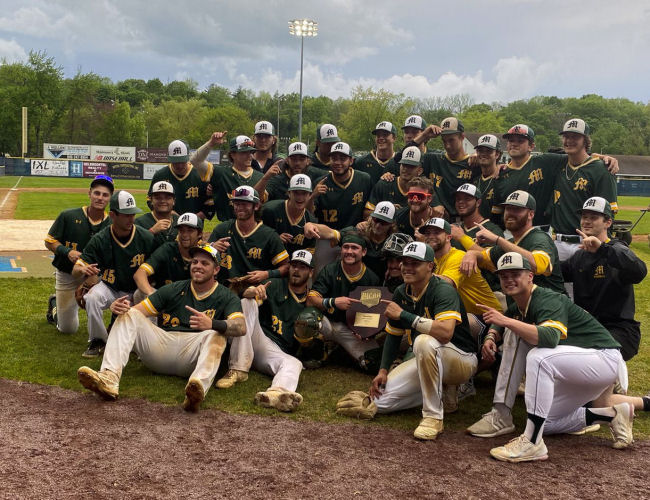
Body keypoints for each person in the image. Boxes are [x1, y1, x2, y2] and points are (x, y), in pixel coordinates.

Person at [469, 252, 644, 462]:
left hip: (603, 357)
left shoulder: (547, 298)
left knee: (539, 357)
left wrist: (505, 323)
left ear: (530, 276)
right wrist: (492, 334)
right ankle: (613, 415)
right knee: (545, 420)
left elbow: (550, 337)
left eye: (515, 274)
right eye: (504, 276)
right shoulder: (523, 302)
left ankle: (533, 443)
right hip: (584, 363)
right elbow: (506, 317)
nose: (509, 280)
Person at [77, 244, 245, 413]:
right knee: (128, 315)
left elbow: (241, 327)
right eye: (194, 262)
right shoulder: (174, 288)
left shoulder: (226, 295)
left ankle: (196, 389)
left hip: (193, 354)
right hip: (162, 346)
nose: (198, 266)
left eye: (204, 263)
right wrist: (118, 308)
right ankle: (109, 378)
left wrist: (213, 324)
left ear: (216, 270)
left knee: (217, 334)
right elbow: (136, 312)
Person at [336, 241, 477, 440]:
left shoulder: (443, 289)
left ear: (430, 266)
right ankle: (446, 393)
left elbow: (445, 333)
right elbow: (393, 335)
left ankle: (433, 417)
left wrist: (405, 315)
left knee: (423, 342)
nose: (407, 267)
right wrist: (383, 370)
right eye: (404, 262)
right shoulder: (402, 292)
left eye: (414, 263)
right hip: (428, 356)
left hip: (461, 359)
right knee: (378, 403)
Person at [213, 250, 313, 411]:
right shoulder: (274, 284)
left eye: (302, 267)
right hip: (256, 336)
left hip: (273, 351)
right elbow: (243, 297)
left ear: (310, 272)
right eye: (294, 265)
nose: (296, 270)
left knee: (294, 363)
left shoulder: (311, 300)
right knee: (247, 302)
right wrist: (250, 292)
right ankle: (238, 369)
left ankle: (276, 394)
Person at [562, 197, 647, 362]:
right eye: (584, 217)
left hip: (619, 331)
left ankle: (613, 372)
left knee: (585, 354)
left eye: (593, 217)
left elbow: (639, 271)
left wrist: (602, 249)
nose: (586, 221)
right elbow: (555, 274)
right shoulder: (579, 257)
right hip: (588, 327)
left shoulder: (617, 250)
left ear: (608, 222)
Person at [72, 191, 155, 358]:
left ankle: (148, 344)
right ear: (112, 215)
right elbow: (76, 269)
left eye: (132, 214)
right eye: (125, 215)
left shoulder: (145, 237)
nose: (131, 219)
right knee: (92, 298)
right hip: (111, 288)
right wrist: (82, 270)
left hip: (136, 291)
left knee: (150, 295)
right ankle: (99, 340)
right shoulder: (100, 239)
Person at [45, 175, 114, 333]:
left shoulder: (112, 223)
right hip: (67, 273)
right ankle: (55, 303)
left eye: (105, 195)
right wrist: (66, 251)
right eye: (97, 193)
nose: (100, 198)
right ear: (89, 194)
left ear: (110, 198)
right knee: (67, 329)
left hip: (95, 276)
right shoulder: (68, 216)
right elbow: (49, 241)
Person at [461, 190, 565, 295]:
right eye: (508, 209)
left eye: (517, 209)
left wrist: (498, 240)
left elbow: (538, 266)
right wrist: (472, 253)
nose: (510, 213)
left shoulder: (539, 238)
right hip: (522, 307)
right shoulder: (509, 243)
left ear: (530, 214)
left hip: (552, 304)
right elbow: (484, 258)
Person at [307, 231, 381, 370]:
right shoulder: (330, 270)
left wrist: (367, 331)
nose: (349, 251)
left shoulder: (371, 278)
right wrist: (333, 302)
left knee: (373, 362)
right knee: (307, 318)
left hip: (350, 329)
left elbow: (371, 314)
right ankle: (313, 353)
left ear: (364, 252)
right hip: (327, 323)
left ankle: (337, 350)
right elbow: (311, 300)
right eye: (346, 247)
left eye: (354, 248)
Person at [419, 217, 503, 335]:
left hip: (490, 318)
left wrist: (416, 274)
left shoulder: (459, 257)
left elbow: (445, 285)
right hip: (464, 316)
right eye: (427, 233)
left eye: (437, 232)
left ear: (449, 237)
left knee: (443, 324)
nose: (431, 236)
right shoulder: (431, 260)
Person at [551, 118, 618, 262]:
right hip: (558, 242)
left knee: (588, 284)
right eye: (566, 136)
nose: (569, 140)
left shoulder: (601, 170)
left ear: (585, 141)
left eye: (575, 137)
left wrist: (604, 246)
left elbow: (609, 213)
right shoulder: (558, 164)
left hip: (586, 242)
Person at [208, 186, 289, 289]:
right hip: (225, 288)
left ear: (256, 206)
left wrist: (267, 274)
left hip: (256, 290)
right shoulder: (222, 229)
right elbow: (202, 255)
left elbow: (286, 267)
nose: (240, 207)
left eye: (245, 204)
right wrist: (212, 247)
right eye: (237, 204)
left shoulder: (269, 235)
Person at [133, 212, 204, 301]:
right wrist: (151, 294)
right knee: (139, 294)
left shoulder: (205, 254)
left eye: (190, 230)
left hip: (191, 302)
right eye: (181, 230)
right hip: (164, 300)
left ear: (200, 234)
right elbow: (139, 274)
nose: (185, 234)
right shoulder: (168, 249)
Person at [412, 117, 473, 219]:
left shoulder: (472, 163)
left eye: (451, 140)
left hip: (461, 221)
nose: (447, 145)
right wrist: (424, 135)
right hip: (435, 218)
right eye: (444, 141)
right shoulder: (433, 159)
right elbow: (400, 157)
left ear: (462, 136)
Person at [450, 183, 504, 294]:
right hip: (460, 292)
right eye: (458, 199)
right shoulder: (453, 229)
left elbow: (493, 262)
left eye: (467, 199)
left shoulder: (492, 229)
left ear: (478, 202)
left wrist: (462, 238)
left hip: (489, 292)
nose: (461, 202)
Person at [148, 138, 217, 217]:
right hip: (167, 224)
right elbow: (149, 199)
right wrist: (167, 212)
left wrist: (192, 220)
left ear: (188, 157)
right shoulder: (160, 175)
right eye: (176, 162)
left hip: (194, 227)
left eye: (182, 161)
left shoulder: (200, 174)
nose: (179, 166)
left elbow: (210, 202)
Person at [209, 136, 265, 222]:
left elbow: (261, 204)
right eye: (244, 152)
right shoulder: (221, 172)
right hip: (226, 228)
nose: (249, 156)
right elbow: (196, 161)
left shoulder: (260, 176)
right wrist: (211, 143)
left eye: (251, 152)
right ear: (233, 154)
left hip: (252, 228)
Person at [262, 174, 318, 256]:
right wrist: (274, 240)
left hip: (294, 266)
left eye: (304, 193)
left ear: (310, 195)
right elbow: (255, 237)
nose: (300, 197)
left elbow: (309, 252)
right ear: (289, 193)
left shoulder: (311, 220)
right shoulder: (270, 210)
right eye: (296, 193)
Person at [255, 142, 327, 202]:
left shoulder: (314, 173)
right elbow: (256, 198)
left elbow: (333, 175)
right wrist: (265, 178)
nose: (297, 163)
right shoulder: (278, 178)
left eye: (302, 159)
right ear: (287, 160)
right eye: (293, 159)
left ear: (308, 161)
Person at [366, 145, 423, 213]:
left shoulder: (423, 191)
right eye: (403, 164)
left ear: (419, 171)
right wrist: (387, 211)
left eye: (410, 166)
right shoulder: (384, 184)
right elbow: (367, 212)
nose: (405, 169)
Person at [135, 181, 179, 248]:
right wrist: (151, 232)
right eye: (158, 198)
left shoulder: (180, 222)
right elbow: (133, 247)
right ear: (151, 201)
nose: (163, 201)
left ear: (174, 201)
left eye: (167, 198)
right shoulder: (139, 223)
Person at [471, 134, 502, 223]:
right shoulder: (475, 179)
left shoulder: (502, 178)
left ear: (497, 154)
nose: (484, 154)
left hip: (495, 230)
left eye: (488, 151)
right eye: (480, 151)